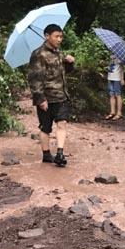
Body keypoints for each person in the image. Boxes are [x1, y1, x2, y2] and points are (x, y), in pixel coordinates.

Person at [27, 23, 74, 166]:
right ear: (47, 36)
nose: (59, 39)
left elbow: (66, 72)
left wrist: (69, 63)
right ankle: (46, 154)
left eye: (61, 36)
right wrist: (40, 99)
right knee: (45, 127)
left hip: (61, 95)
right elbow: (34, 78)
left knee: (62, 123)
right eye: (56, 36)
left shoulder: (59, 53)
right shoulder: (38, 54)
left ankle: (60, 153)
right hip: (46, 97)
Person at [103, 55, 124, 120]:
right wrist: (104, 63)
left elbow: (122, 67)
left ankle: (119, 113)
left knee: (118, 94)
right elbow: (111, 64)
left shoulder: (120, 56)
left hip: (117, 78)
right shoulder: (111, 55)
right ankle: (112, 112)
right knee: (111, 94)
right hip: (110, 77)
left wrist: (122, 78)